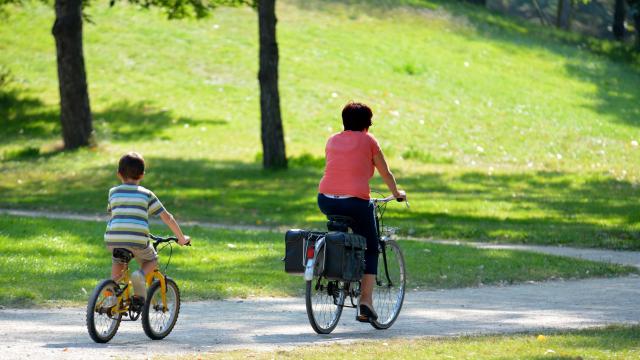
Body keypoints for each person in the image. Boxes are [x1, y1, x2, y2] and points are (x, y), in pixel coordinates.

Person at [317, 102, 406, 322]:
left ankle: (340, 272)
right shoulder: (369, 140)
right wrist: (396, 193)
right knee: (372, 246)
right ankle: (365, 302)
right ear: (367, 124)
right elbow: (385, 173)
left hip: (326, 199)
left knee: (344, 235)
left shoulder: (332, 140)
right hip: (355, 202)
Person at [104, 152, 190, 309]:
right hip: (137, 239)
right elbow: (167, 218)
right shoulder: (146, 194)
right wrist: (181, 238)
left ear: (119, 174)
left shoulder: (113, 192)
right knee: (152, 260)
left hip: (113, 238)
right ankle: (140, 275)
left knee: (118, 261)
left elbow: (111, 212)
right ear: (142, 175)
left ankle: (111, 297)